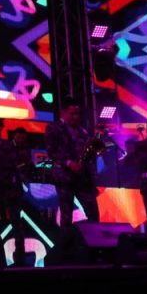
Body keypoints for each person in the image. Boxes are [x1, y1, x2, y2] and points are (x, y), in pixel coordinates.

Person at [44, 97, 101, 230]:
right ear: (63, 112)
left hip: (83, 178)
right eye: (72, 113)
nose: (76, 117)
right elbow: (51, 151)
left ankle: (92, 240)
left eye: (77, 114)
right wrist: (68, 163)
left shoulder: (82, 131)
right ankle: (67, 242)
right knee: (66, 215)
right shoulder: (53, 128)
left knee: (93, 212)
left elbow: (88, 154)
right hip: (64, 177)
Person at [0, 124, 32, 262]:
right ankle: (13, 254)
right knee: (12, 222)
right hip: (4, 190)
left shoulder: (3, 145)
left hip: (8, 190)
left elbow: (8, 167)